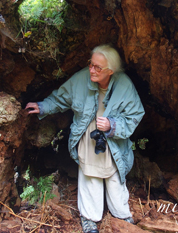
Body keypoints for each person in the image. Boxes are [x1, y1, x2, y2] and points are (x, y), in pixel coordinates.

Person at [25, 45, 145, 233]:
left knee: (115, 176)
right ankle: (89, 218)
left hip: (113, 141)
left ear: (110, 71)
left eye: (98, 67)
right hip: (88, 136)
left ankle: (121, 214)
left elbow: (135, 114)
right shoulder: (81, 79)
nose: (91, 70)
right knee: (90, 176)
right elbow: (61, 99)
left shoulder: (124, 85)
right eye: (91, 64)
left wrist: (112, 125)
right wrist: (43, 107)